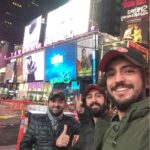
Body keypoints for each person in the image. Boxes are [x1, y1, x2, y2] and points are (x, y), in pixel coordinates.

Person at [98, 47, 149, 150]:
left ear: (147, 80)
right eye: (111, 74)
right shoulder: (112, 127)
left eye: (129, 71)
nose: (118, 80)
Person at [73, 84, 110, 150]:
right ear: (85, 102)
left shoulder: (114, 125)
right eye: (89, 97)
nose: (94, 100)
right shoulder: (86, 126)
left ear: (105, 100)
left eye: (98, 96)